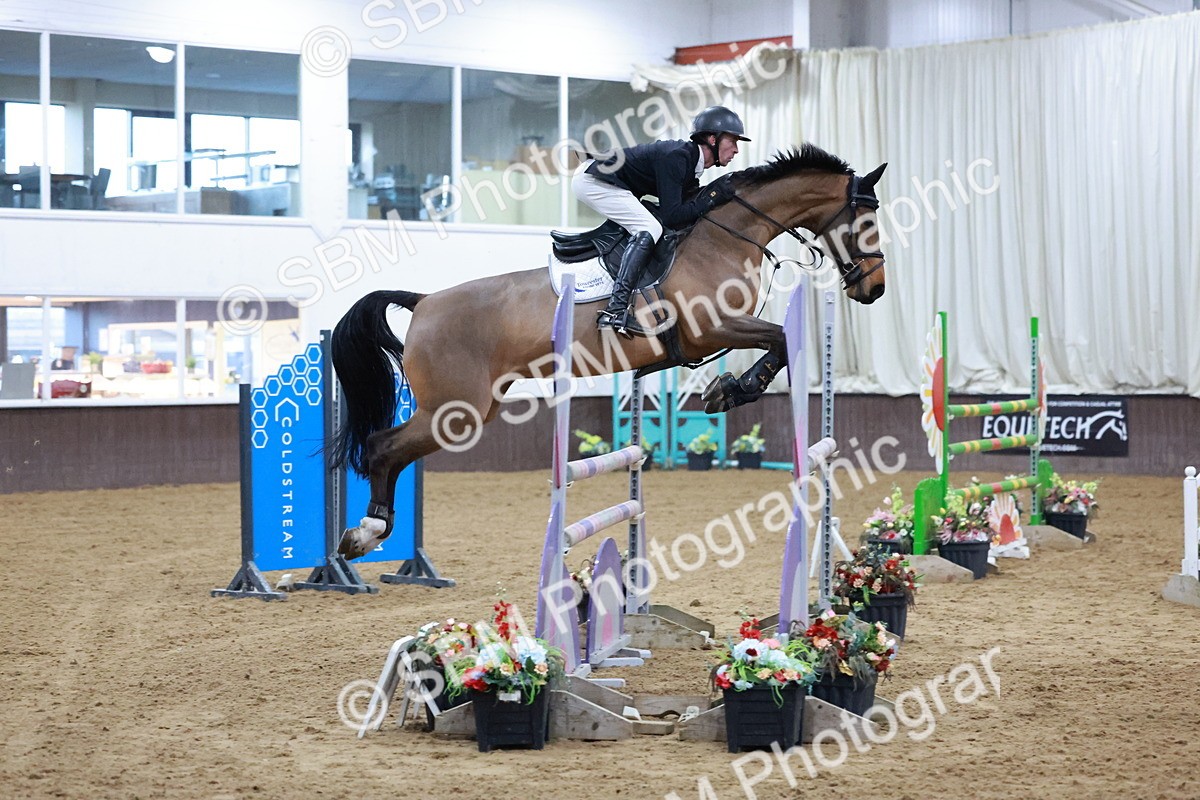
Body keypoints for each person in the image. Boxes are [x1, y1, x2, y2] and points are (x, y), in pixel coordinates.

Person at [572, 105, 750, 335]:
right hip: (593, 180)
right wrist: (713, 197)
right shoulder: (677, 157)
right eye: (732, 141)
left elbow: (686, 208)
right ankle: (615, 311)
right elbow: (672, 216)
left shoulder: (690, 163)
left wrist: (714, 196)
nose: (736, 149)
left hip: (607, 180)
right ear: (713, 139)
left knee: (651, 225)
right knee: (649, 227)